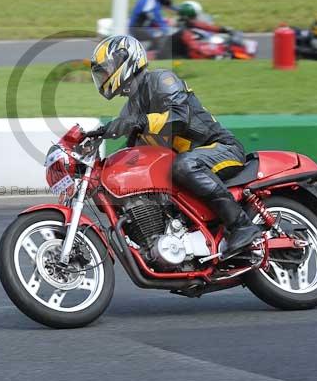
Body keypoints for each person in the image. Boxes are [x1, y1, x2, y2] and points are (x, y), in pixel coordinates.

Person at [90, 34, 262, 255]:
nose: (103, 76)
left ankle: (242, 226)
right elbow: (131, 151)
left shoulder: (162, 79)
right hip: (191, 160)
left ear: (125, 61)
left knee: (185, 165)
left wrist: (140, 121)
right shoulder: (132, 107)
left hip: (220, 148)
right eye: (100, 73)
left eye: (106, 70)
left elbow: (179, 118)